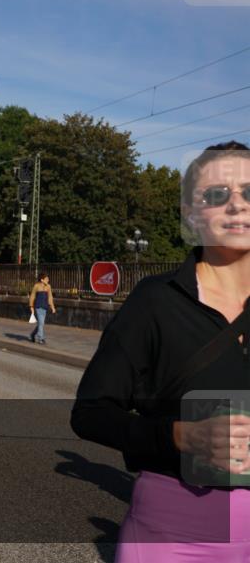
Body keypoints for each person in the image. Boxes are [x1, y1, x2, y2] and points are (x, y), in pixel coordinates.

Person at [71, 141, 250, 561]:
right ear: (191, 214)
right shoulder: (156, 301)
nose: (236, 205)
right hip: (173, 534)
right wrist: (177, 434)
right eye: (217, 194)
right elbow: (91, 412)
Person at [28, 273, 55, 344]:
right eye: (46, 279)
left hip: (45, 307)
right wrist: (31, 307)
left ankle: (32, 335)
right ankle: (41, 338)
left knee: (40, 324)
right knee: (41, 323)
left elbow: (50, 297)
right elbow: (32, 296)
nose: (48, 280)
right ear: (42, 280)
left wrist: (52, 307)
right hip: (38, 307)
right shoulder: (36, 286)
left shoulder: (48, 287)